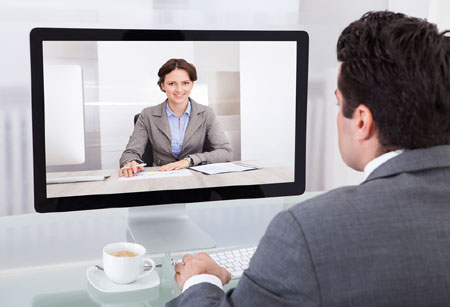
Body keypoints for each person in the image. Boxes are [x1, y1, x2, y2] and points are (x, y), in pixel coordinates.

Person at [167, 11, 450, 307]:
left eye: (339, 103)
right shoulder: (150, 116)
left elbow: (222, 150)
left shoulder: (308, 230)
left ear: (362, 121)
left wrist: (200, 281)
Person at [119, 58, 233, 177]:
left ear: (192, 84)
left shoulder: (206, 113)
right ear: (163, 85)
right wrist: (130, 162)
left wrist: (189, 161)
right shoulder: (147, 115)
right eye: (172, 83)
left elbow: (226, 152)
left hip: (195, 179)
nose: (179, 89)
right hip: (160, 178)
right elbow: (130, 153)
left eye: (185, 83)